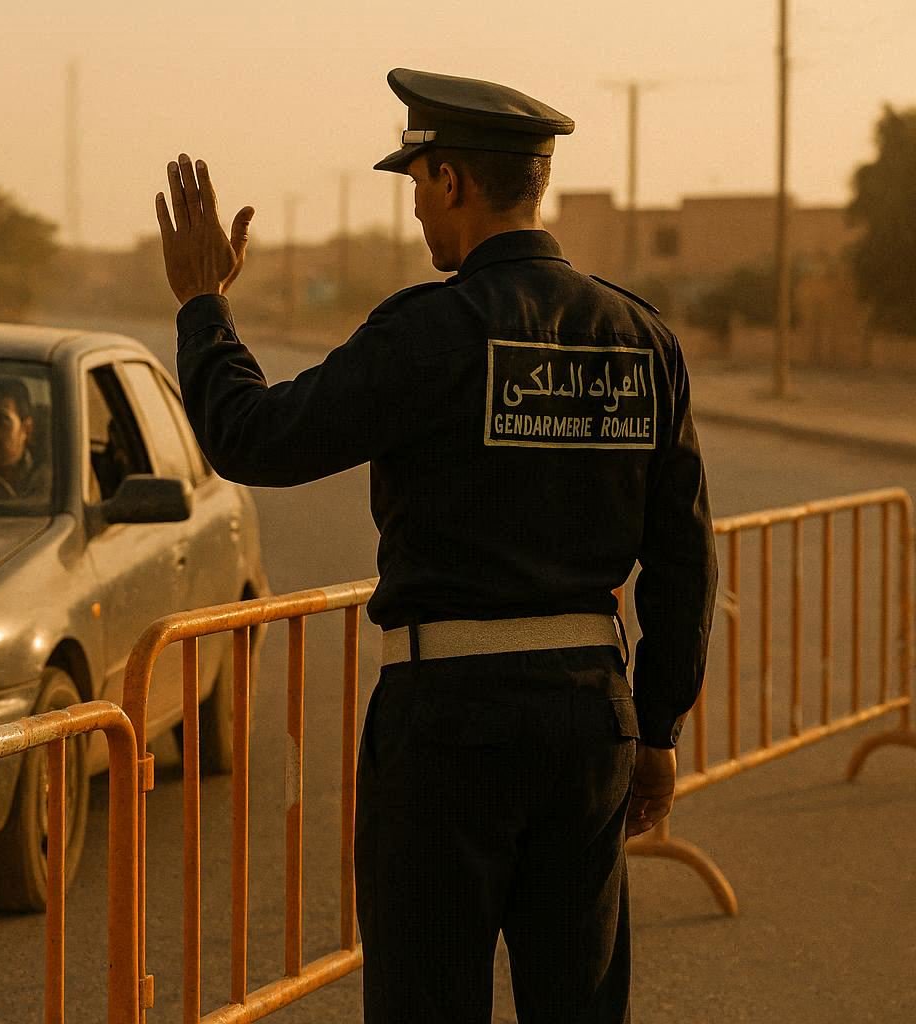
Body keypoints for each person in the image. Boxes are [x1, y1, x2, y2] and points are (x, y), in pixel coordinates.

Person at [154, 68, 717, 1023]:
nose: (416, 210)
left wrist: (205, 306)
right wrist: (656, 726)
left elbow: (254, 436)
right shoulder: (640, 339)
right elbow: (685, 559)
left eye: (418, 183)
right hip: (591, 723)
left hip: (450, 727)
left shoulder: (434, 331)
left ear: (452, 180)